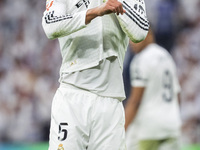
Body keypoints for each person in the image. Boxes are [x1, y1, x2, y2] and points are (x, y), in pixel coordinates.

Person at [42, 0, 149, 149]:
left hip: (110, 102)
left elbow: (140, 32)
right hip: (72, 98)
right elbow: (51, 26)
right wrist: (95, 12)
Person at [125, 29, 182, 150]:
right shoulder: (166, 56)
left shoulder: (141, 59)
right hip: (172, 125)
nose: (131, 42)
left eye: (133, 37)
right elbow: (177, 94)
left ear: (148, 34)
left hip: (149, 129)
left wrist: (122, 129)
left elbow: (135, 101)